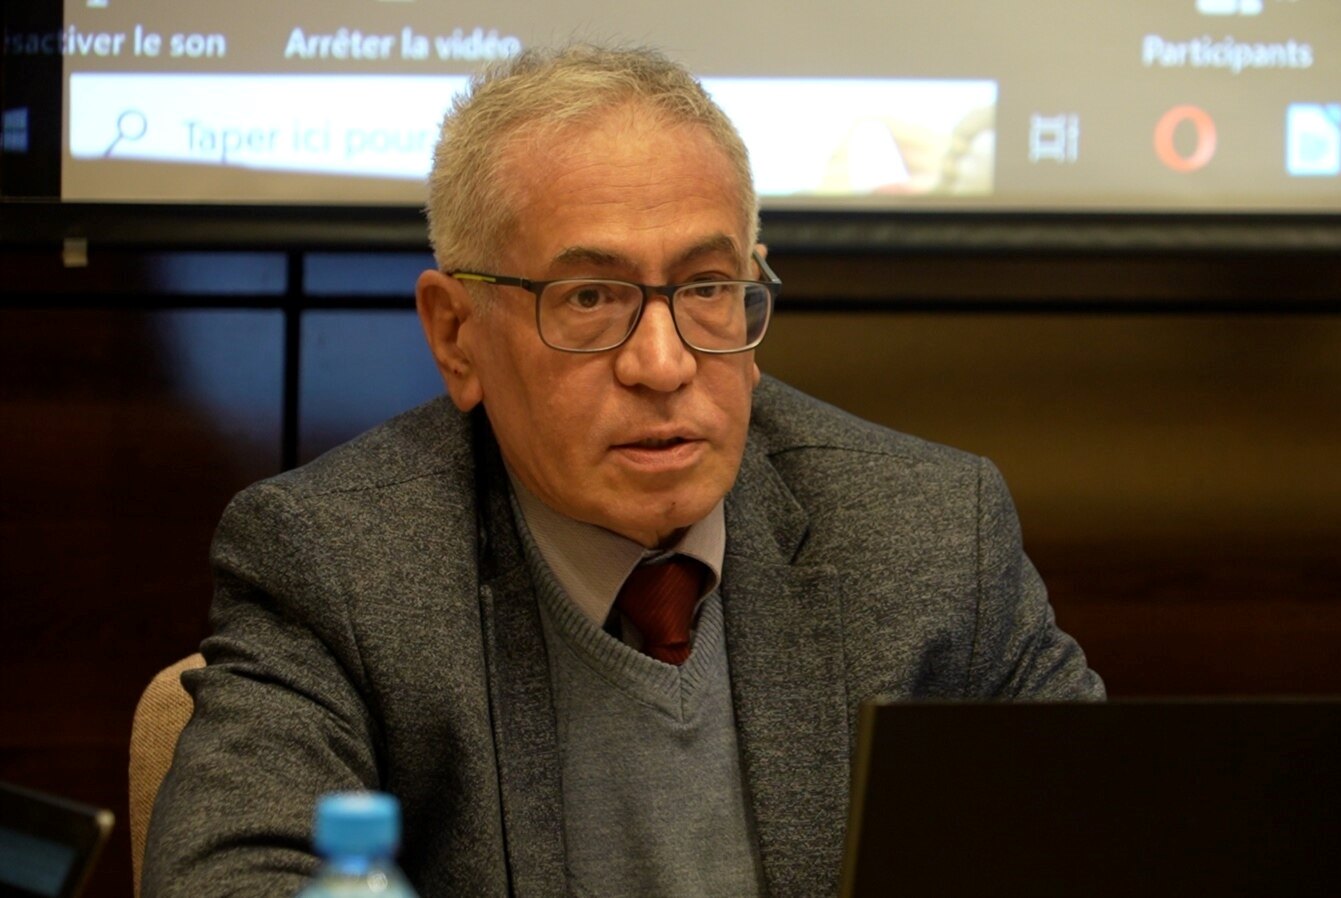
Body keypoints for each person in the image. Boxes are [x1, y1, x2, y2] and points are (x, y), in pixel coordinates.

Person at [143, 43, 1103, 898]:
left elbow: (1106, 844)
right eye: (590, 298)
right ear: (456, 335)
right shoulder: (337, 561)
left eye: (705, 288)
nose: (662, 363)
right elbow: (229, 880)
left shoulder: (931, 530)